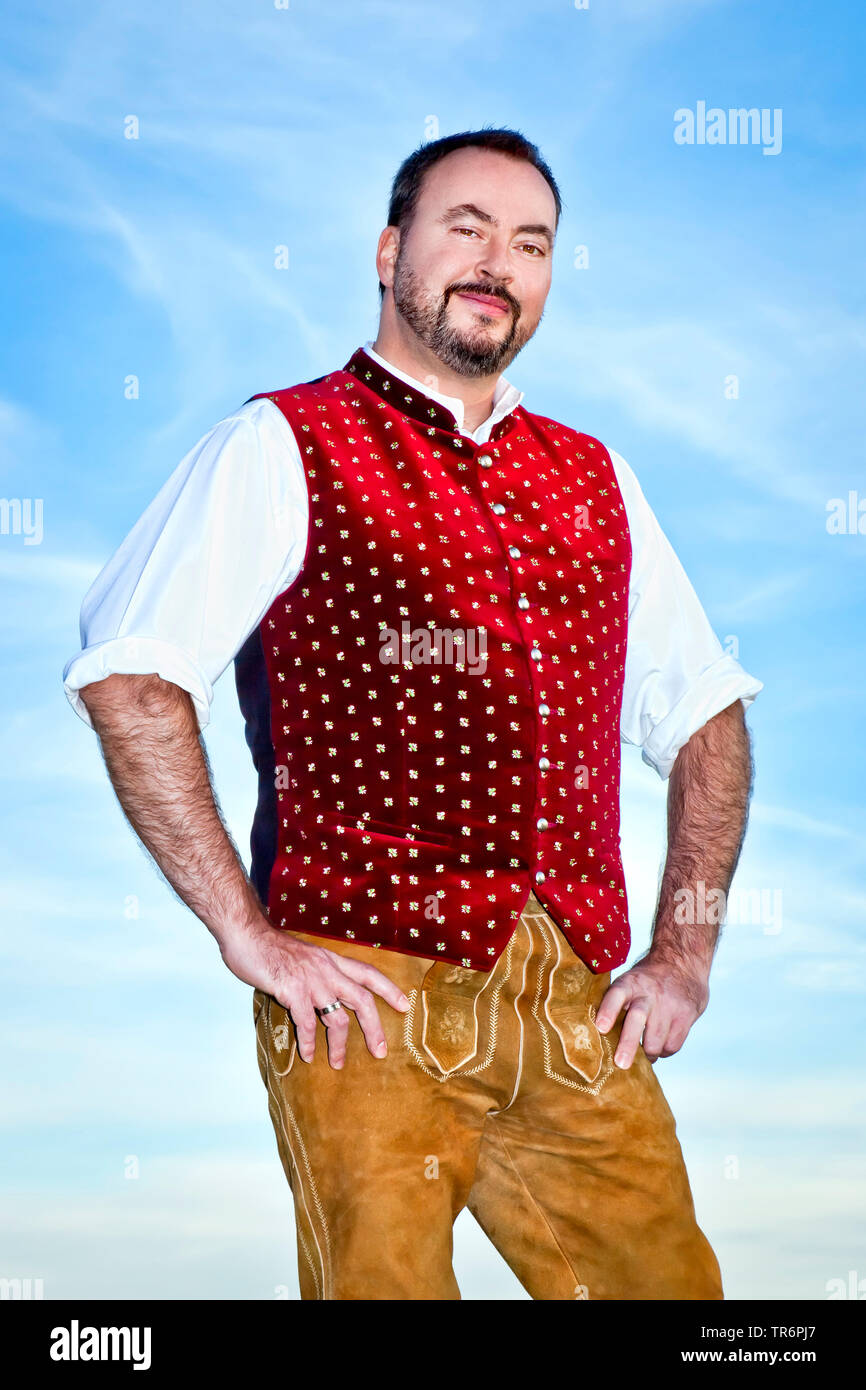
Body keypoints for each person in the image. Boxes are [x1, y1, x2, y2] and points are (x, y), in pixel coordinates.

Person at [62, 127, 763, 1301]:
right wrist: (246, 933)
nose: (498, 261)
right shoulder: (280, 441)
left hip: (571, 1005)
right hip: (363, 1001)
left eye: (529, 242)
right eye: (466, 228)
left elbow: (705, 718)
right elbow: (130, 674)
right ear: (391, 251)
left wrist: (683, 954)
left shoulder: (597, 477)